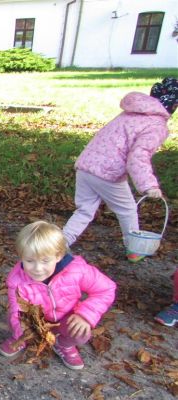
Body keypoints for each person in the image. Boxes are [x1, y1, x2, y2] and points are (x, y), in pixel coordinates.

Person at [62, 77, 177, 262]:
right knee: (127, 210)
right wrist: (149, 185)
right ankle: (134, 248)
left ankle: (60, 244)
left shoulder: (131, 113)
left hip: (86, 165)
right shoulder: (156, 125)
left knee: (84, 210)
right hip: (108, 172)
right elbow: (138, 156)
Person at [1, 221, 116, 370]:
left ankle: (63, 344)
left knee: (81, 332)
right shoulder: (17, 280)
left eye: (45, 261)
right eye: (29, 261)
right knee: (14, 318)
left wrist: (85, 315)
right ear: (21, 256)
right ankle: (22, 339)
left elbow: (106, 289)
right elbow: (18, 311)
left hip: (66, 318)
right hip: (37, 319)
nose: (37, 268)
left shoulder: (77, 270)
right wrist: (24, 331)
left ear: (58, 256)